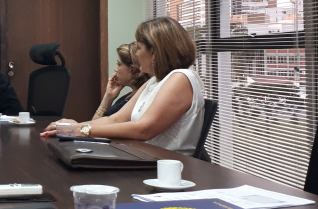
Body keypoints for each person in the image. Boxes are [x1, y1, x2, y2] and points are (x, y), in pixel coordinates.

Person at [42, 17, 204, 155]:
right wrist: (75, 127)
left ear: (154, 53)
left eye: (139, 48)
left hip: (166, 168)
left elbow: (144, 130)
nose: (136, 54)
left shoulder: (181, 77)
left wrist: (80, 130)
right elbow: (116, 119)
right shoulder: (154, 81)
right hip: (143, 158)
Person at [92, 42, 150, 120]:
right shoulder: (128, 96)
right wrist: (108, 97)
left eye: (119, 64)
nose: (115, 69)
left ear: (132, 69)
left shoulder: (139, 100)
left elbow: (101, 125)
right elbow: (94, 124)